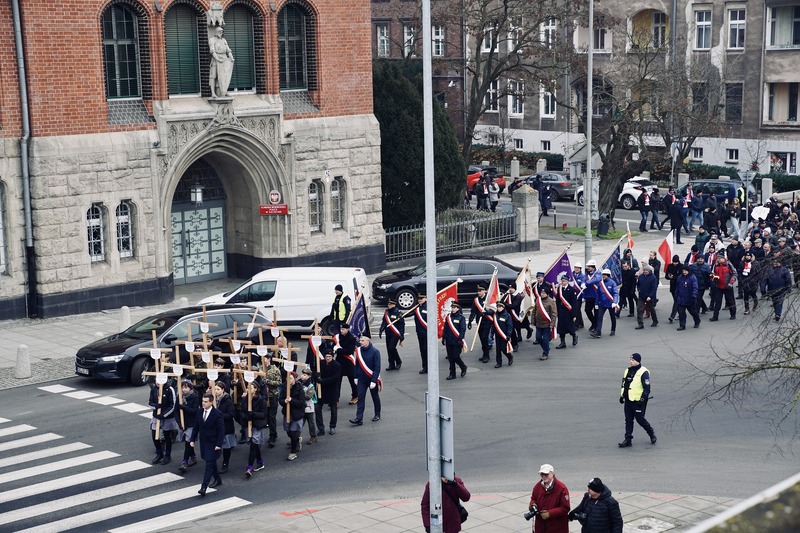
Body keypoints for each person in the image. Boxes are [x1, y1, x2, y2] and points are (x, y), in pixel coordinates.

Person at [618, 353, 656, 447]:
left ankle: (651, 433)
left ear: (638, 361)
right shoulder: (627, 370)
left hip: (638, 401)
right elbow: (625, 383)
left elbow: (647, 388)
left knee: (640, 419)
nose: (631, 361)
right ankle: (628, 439)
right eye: (630, 360)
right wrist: (622, 395)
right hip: (628, 399)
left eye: (633, 360)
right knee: (628, 420)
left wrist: (642, 399)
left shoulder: (644, 372)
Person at [191, 392, 225, 497]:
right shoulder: (199, 412)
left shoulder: (217, 414)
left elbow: (221, 430)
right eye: (202, 401)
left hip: (213, 443)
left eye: (206, 402)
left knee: (209, 464)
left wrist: (219, 444)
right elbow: (196, 426)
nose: (203, 403)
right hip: (204, 442)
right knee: (210, 462)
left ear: (211, 402)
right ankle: (218, 479)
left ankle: (203, 487)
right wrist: (192, 439)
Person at [529, 464, 571, 533]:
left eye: (546, 474)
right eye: (542, 475)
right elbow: (533, 498)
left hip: (556, 527)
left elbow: (565, 508)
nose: (544, 477)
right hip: (541, 527)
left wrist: (549, 514)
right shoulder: (537, 487)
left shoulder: (561, 488)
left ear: (552, 474)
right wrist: (533, 504)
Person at [350, 335, 382, 425]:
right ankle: (359, 418)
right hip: (361, 379)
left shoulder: (375, 351)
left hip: (371, 378)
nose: (360, 342)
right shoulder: (359, 351)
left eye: (362, 340)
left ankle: (377, 414)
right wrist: (355, 377)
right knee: (360, 398)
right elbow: (356, 365)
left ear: (368, 341)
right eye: (360, 340)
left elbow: (377, 367)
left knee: (375, 397)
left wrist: (374, 380)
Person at [239, 380, 267, 478]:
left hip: (257, 425)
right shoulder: (245, 399)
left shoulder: (261, 400)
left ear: (255, 389)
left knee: (253, 445)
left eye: (250, 388)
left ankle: (249, 467)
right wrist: (246, 416)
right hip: (248, 425)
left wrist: (253, 414)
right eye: (247, 387)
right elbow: (241, 411)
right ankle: (260, 461)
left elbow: (263, 414)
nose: (248, 389)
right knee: (253, 444)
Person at [148, 378, 178, 465]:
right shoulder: (154, 389)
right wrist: (155, 406)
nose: (157, 382)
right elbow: (150, 403)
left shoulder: (170, 389)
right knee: (154, 435)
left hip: (167, 416)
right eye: (156, 380)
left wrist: (163, 415)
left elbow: (172, 405)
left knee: (167, 436)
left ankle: (168, 455)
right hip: (156, 416)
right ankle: (159, 453)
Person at [315, 349, 341, 435]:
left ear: (332, 357)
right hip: (321, 389)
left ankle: (332, 426)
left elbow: (336, 378)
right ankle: (320, 428)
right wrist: (317, 376)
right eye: (326, 356)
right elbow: (315, 373)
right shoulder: (320, 363)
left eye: (329, 356)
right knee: (318, 408)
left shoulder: (337, 365)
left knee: (333, 409)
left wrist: (322, 381)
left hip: (332, 389)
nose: (327, 358)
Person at [212, 382, 236, 473]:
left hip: (226, 426)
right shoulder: (212, 399)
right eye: (215, 389)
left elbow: (231, 414)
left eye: (218, 389)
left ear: (223, 390)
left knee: (226, 446)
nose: (216, 391)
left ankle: (225, 463)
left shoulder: (227, 400)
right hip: (215, 427)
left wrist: (219, 415)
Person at [177, 379, 199, 474]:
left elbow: (194, 411)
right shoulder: (179, 397)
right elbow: (176, 410)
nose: (184, 389)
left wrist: (184, 407)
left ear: (190, 387)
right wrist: (179, 423)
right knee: (187, 442)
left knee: (188, 443)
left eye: (186, 387)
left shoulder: (194, 397)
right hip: (183, 423)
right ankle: (193, 456)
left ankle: (184, 462)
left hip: (191, 424)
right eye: (182, 387)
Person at [282, 371, 306, 461]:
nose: (288, 380)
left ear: (295, 379)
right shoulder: (284, 387)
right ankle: (297, 439)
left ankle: (293, 452)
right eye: (287, 378)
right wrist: (284, 401)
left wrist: (291, 400)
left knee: (293, 432)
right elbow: (280, 399)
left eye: (290, 378)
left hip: (296, 414)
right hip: (287, 413)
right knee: (288, 431)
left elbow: (301, 403)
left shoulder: (299, 388)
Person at [333, 323, 359, 405]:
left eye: (343, 329)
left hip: (348, 362)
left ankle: (355, 396)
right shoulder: (338, 337)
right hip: (339, 361)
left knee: (352, 380)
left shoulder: (351, 338)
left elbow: (349, 351)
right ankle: (336, 399)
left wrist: (338, 350)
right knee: (337, 382)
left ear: (348, 329)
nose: (342, 331)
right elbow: (334, 346)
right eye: (341, 329)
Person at [443, 301, 468, 379]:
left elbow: (463, 329)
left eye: (454, 308)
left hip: (457, 341)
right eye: (452, 307)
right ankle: (452, 374)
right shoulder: (448, 317)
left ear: (458, 308)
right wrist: (444, 337)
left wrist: (460, 338)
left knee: (456, 356)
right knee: (450, 358)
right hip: (449, 340)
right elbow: (446, 328)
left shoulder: (461, 318)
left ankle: (463, 366)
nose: (453, 309)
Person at [532, 284, 557, 360]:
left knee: (545, 339)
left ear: (547, 294)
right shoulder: (538, 300)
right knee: (538, 337)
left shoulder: (551, 301)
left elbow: (554, 313)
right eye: (541, 293)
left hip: (547, 324)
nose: (542, 295)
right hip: (538, 323)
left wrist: (552, 324)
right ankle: (546, 348)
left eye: (544, 293)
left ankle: (545, 353)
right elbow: (534, 311)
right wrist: (533, 320)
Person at [590, 269, 618, 338]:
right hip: (602, 304)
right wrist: (596, 303)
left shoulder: (612, 283)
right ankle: (598, 332)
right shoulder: (600, 283)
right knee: (599, 318)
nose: (604, 276)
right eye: (603, 275)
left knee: (612, 317)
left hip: (610, 304)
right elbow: (598, 294)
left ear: (608, 275)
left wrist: (615, 302)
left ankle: (613, 330)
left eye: (605, 275)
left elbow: (615, 293)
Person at [208, 26, 234, 98]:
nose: (221, 33)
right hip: (216, 59)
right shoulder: (212, 40)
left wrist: (231, 57)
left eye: (222, 32)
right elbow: (212, 50)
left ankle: (224, 91)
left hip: (224, 59)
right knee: (213, 76)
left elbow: (228, 50)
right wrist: (217, 58)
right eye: (219, 31)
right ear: (216, 32)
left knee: (224, 76)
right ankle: (213, 92)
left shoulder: (224, 40)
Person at [468, 285, 492, 363]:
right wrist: (470, 320)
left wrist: (485, 313)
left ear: (485, 291)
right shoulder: (476, 300)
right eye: (478, 291)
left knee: (485, 337)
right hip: (479, 322)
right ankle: (484, 354)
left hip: (487, 322)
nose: (479, 292)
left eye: (481, 290)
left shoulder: (489, 299)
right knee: (482, 339)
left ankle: (487, 355)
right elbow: (473, 311)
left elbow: (494, 310)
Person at [709, 255, 737, 321]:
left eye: (719, 258)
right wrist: (713, 277)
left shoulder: (728, 264)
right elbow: (712, 273)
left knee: (731, 301)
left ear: (723, 258)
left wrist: (731, 283)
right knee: (717, 302)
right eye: (717, 258)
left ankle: (733, 314)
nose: (718, 259)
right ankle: (715, 316)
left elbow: (734, 274)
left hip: (728, 286)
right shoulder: (715, 265)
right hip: (718, 286)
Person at [263, 351, 282, 448]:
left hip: (272, 395)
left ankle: (273, 436)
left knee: (271, 417)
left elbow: (279, 382)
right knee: (265, 416)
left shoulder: (275, 370)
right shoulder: (261, 369)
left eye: (265, 358)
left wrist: (268, 382)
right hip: (264, 396)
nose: (263, 360)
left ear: (269, 359)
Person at [379, 299, 404, 371]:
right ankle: (391, 364)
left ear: (394, 305)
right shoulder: (387, 312)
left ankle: (398, 361)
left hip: (395, 334)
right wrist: (381, 329)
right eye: (388, 304)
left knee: (392, 348)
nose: (388, 305)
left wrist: (402, 334)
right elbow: (384, 321)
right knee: (388, 349)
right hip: (388, 333)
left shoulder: (398, 313)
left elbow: (402, 325)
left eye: (390, 304)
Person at [675, 264, 701, 330]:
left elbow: (695, 288)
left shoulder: (692, 277)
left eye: (686, 271)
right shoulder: (680, 277)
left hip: (690, 298)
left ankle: (697, 321)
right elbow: (677, 287)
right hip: (681, 298)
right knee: (681, 313)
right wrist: (676, 295)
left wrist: (694, 295)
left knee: (693, 312)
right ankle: (682, 325)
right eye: (683, 271)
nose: (684, 272)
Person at [555, 276, 578, 349]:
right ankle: (562, 342)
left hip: (568, 311)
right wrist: (557, 310)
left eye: (564, 281)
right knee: (561, 328)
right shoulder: (560, 289)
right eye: (562, 281)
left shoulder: (572, 290)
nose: (563, 282)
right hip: (561, 311)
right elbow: (558, 300)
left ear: (568, 281)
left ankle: (574, 336)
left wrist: (574, 314)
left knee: (569, 327)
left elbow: (574, 303)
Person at [765, 256, 792, 320]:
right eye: (774, 262)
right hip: (772, 289)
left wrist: (788, 288)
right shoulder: (769, 269)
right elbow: (765, 279)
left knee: (779, 302)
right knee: (774, 302)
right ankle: (777, 313)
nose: (775, 264)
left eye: (777, 262)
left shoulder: (784, 270)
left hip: (781, 289)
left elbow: (788, 279)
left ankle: (778, 314)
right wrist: (763, 287)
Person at [491, 301, 515, 367]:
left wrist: (509, 335)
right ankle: (499, 363)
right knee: (498, 349)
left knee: (503, 348)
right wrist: (492, 333)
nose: (498, 308)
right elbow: (494, 325)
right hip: (497, 335)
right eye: (498, 307)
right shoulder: (495, 315)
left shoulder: (507, 316)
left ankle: (509, 357)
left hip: (504, 335)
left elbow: (510, 326)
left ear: (503, 307)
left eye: (500, 307)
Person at [635, 264, 658, 328]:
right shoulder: (641, 276)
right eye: (644, 270)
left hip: (649, 297)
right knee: (639, 309)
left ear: (649, 271)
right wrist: (639, 289)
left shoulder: (653, 278)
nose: (645, 271)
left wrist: (650, 296)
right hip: (641, 296)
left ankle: (655, 321)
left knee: (651, 309)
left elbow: (654, 288)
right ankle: (640, 323)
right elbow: (638, 284)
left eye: (646, 270)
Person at [299, 367, 318, 444]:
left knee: (311, 423)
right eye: (302, 374)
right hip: (301, 407)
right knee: (299, 423)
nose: (302, 376)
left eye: (305, 375)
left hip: (308, 407)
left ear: (309, 376)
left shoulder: (310, 386)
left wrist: (300, 393)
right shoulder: (299, 383)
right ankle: (296, 437)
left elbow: (308, 396)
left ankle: (313, 436)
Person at [414, 294, 430, 374]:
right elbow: (410, 313)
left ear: (426, 298)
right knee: (422, 351)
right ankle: (425, 367)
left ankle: (428, 366)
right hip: (420, 332)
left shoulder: (429, 307)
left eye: (421, 298)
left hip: (427, 333)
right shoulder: (417, 307)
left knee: (426, 350)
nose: (419, 300)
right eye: (419, 299)